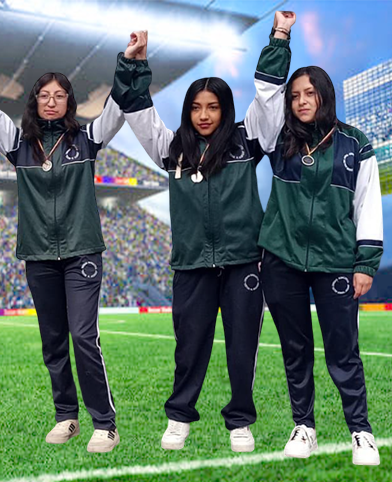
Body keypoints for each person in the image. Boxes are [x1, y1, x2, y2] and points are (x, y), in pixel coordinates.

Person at [0, 32, 150, 453]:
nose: (51, 101)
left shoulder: (87, 140)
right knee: (53, 341)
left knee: (83, 336)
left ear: (69, 103)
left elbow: (117, 106)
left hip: (81, 253)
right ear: (34, 101)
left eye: (59, 95)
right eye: (44, 95)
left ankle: (105, 424)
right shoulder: (19, 146)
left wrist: (129, 62)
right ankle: (66, 416)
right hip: (38, 256)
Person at [119, 13, 295, 452]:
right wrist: (134, 63)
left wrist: (279, 37)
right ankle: (179, 417)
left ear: (225, 109)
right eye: (196, 107)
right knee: (189, 348)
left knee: (242, 347)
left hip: (242, 263)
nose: (203, 115)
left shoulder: (246, 141)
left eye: (212, 107)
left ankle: (240, 421)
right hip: (191, 264)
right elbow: (138, 112)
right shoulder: (171, 148)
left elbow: (269, 96)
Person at [258, 63, 383, 465]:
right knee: (296, 350)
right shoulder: (279, 138)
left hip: (336, 261)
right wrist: (279, 41)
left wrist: (365, 262)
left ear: (325, 95)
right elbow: (265, 94)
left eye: (309, 93)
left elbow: (367, 204)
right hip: (282, 259)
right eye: (294, 95)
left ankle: (361, 431)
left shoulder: (355, 143)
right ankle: (304, 427)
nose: (301, 101)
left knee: (343, 351)